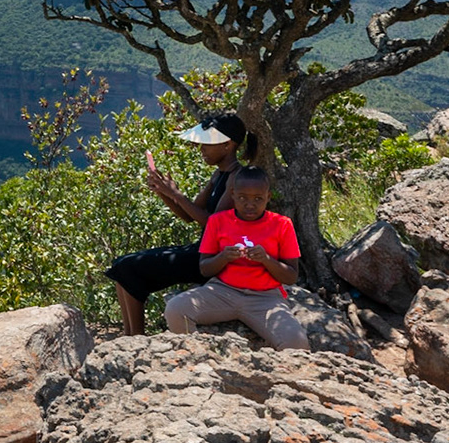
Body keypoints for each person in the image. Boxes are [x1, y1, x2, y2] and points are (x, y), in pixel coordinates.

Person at [105, 112, 256, 336]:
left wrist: (175, 194)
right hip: (201, 250)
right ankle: (128, 335)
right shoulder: (218, 175)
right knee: (120, 267)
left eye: (207, 144)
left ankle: (135, 338)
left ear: (227, 145)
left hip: (212, 258)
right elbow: (189, 215)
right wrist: (164, 193)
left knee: (127, 268)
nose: (201, 149)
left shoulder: (237, 177)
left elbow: (215, 223)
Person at [162, 165, 310, 350]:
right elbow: (205, 268)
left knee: (297, 344)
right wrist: (224, 257)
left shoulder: (282, 225)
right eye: (242, 198)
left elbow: (291, 276)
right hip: (223, 291)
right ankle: (199, 356)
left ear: (268, 197)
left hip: (266, 298)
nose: (250, 204)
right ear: (232, 194)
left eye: (258, 199)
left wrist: (266, 260)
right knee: (175, 310)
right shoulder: (218, 221)